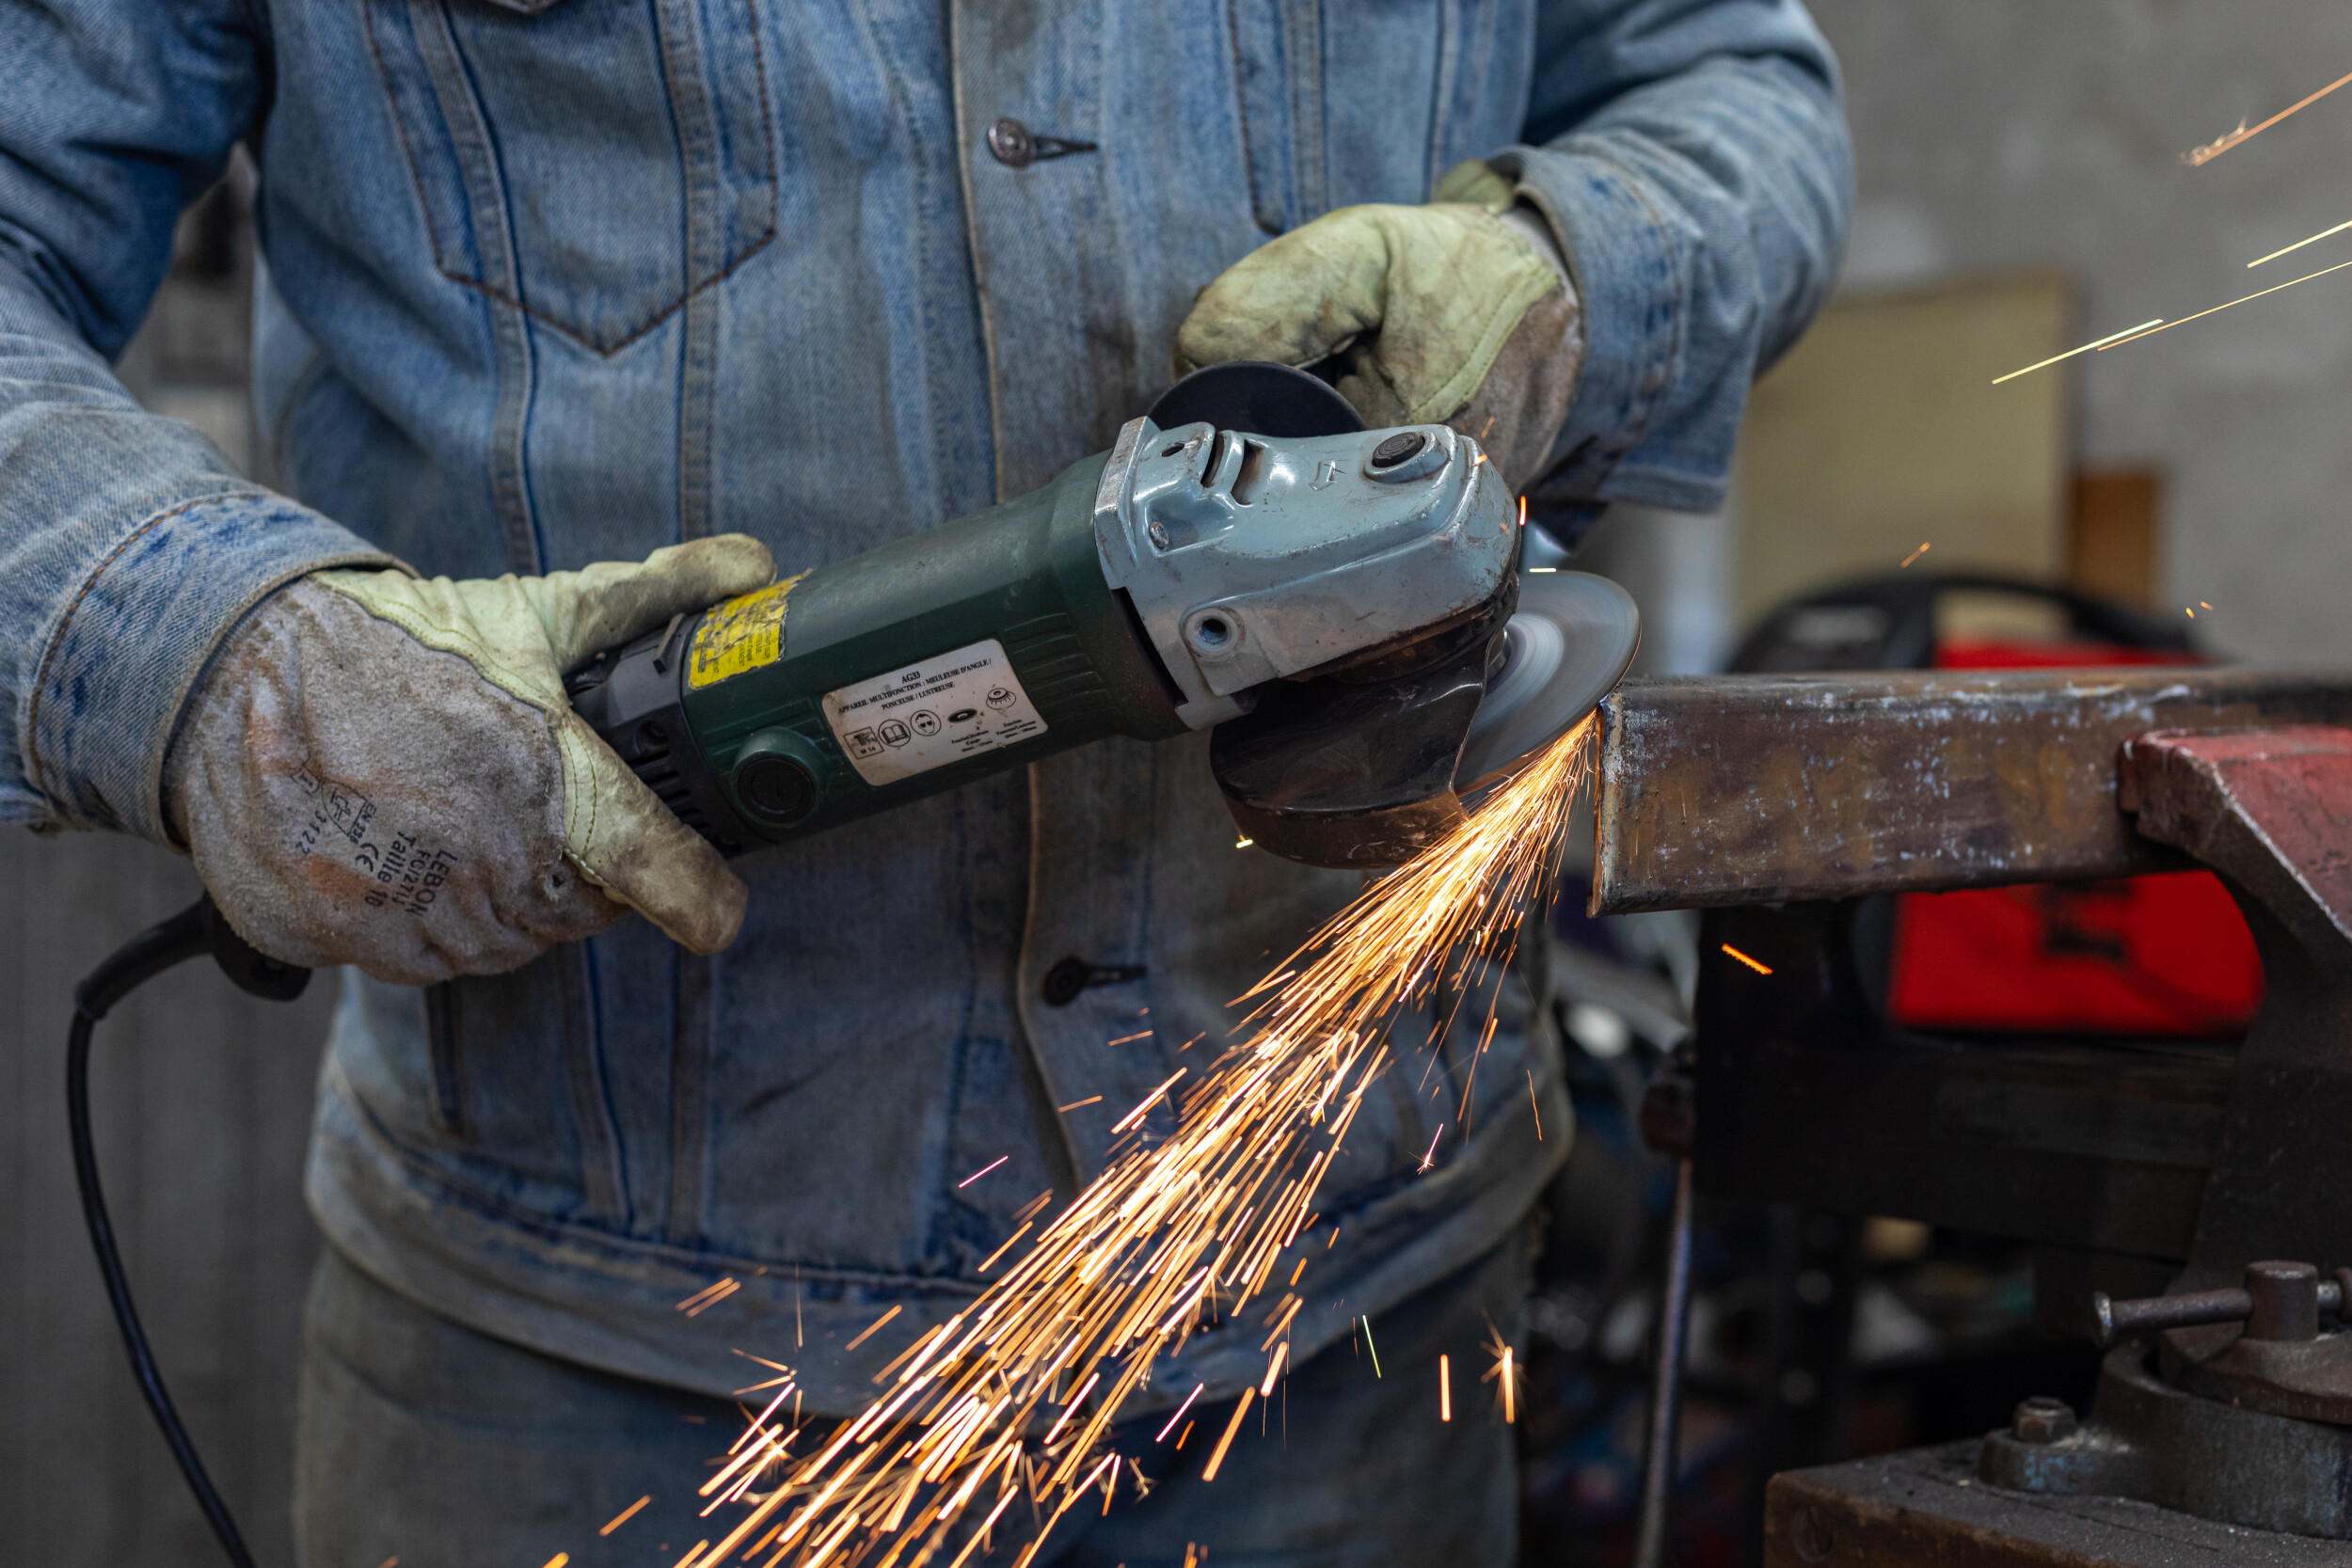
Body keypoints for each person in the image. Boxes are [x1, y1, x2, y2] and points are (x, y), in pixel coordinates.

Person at [0, 3, 1849, 1562]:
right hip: (591, 1378)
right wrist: (217, 645)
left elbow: (1729, 83)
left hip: (1343, 1333)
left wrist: (1570, 264)